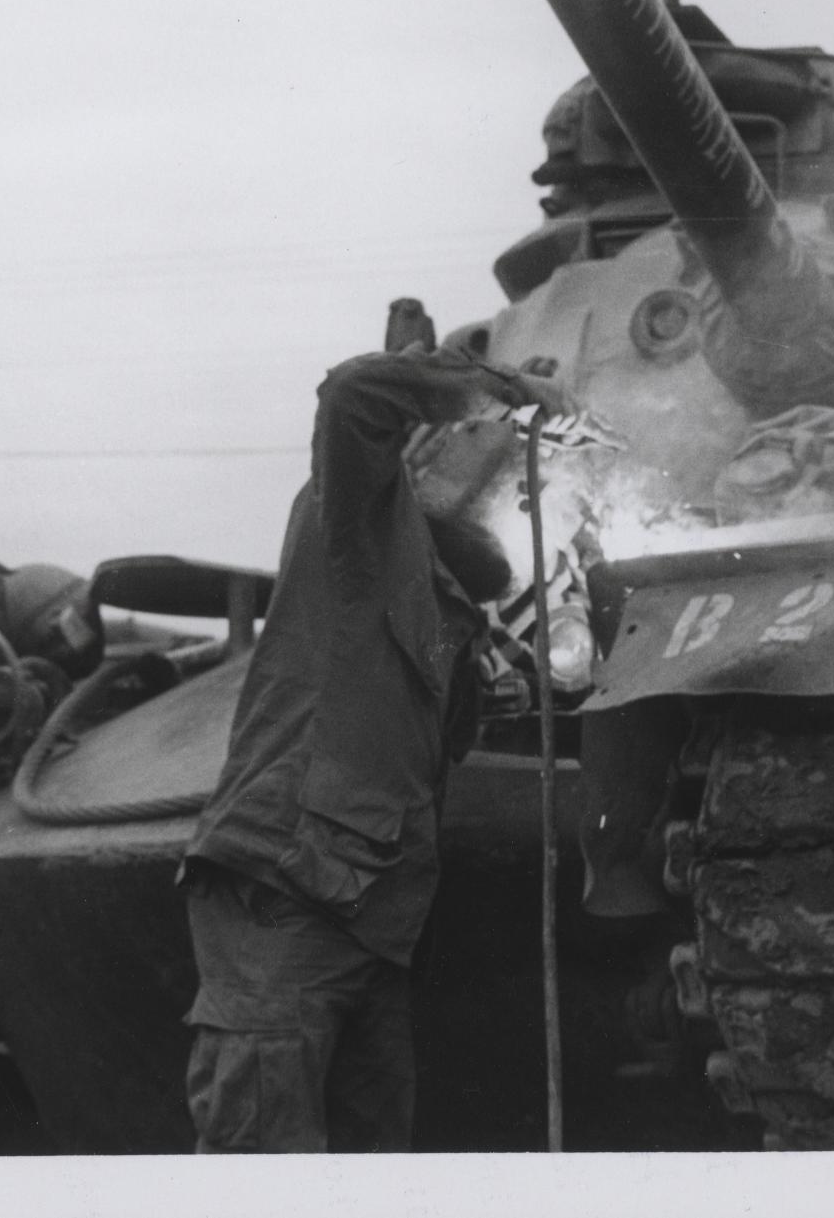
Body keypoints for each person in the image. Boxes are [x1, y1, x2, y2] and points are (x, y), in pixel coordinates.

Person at [178, 345, 570, 1153]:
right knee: (265, 1146)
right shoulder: (357, 526)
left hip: (374, 923)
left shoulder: (442, 610)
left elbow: (420, 742)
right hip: (287, 891)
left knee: (373, 1159)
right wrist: (506, 391)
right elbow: (356, 393)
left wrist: (484, 682)